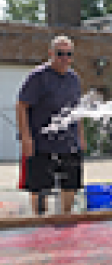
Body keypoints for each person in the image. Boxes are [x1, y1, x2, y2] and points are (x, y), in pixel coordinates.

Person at [16, 35, 86, 215]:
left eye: (68, 54)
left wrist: (81, 137)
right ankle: (41, 223)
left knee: (70, 184)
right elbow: (21, 105)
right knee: (40, 187)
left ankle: (65, 218)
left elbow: (77, 110)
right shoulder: (38, 77)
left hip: (68, 142)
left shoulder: (74, 79)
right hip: (41, 143)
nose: (65, 58)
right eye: (60, 54)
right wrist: (26, 137)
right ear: (51, 53)